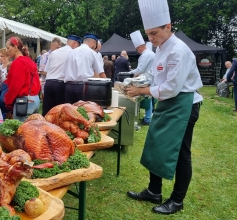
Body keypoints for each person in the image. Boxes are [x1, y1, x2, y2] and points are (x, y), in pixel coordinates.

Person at [125, 0, 203, 215]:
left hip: (184, 104)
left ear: (168, 26)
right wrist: (140, 82)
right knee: (155, 144)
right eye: (148, 34)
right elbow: (156, 76)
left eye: (153, 33)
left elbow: (171, 87)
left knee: (180, 154)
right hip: (168, 102)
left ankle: (177, 201)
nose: (150, 39)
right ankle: (154, 191)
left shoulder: (178, 50)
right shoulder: (160, 47)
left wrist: (142, 92)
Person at [42, 35, 81, 116]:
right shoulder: (73, 53)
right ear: (74, 43)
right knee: (60, 112)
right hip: (60, 84)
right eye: (78, 45)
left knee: (47, 112)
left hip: (48, 83)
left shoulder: (54, 52)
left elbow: (46, 70)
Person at [4, 37, 41, 122]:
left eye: (8, 48)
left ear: (15, 47)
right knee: (33, 131)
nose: (7, 50)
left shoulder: (17, 63)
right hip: (35, 99)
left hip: (24, 102)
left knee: (22, 132)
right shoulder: (30, 61)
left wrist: (8, 103)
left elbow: (14, 87)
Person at [63, 33, 106, 104]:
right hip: (83, 87)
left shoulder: (71, 53)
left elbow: (64, 72)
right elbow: (101, 73)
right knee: (84, 112)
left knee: (70, 112)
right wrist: (106, 88)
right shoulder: (92, 53)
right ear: (93, 43)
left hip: (69, 87)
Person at [129, 30, 155, 125]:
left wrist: (128, 73)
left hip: (146, 80)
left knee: (147, 100)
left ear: (139, 47)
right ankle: (148, 117)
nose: (137, 51)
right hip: (149, 79)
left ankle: (147, 118)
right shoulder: (150, 53)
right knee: (149, 99)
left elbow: (140, 69)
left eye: (137, 49)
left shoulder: (146, 55)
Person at [0, 47, 10, 116]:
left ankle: (6, 114)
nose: (0, 58)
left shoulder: (10, 66)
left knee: (2, 100)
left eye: (2, 56)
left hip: (6, 87)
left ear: (7, 57)